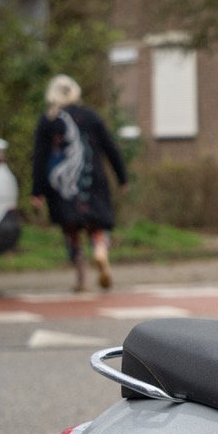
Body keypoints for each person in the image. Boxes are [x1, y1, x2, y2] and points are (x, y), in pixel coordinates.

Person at [30, 75, 128, 291]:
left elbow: (40, 158)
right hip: (93, 180)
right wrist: (122, 177)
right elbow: (110, 147)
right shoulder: (90, 116)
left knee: (71, 230)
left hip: (63, 186)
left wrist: (37, 192)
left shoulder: (48, 120)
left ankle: (81, 279)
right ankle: (100, 251)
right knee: (97, 225)